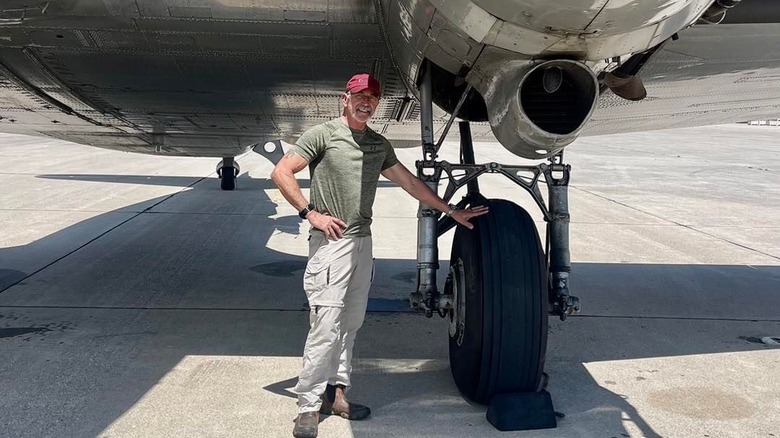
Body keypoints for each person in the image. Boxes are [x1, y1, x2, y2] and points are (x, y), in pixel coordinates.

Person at [270, 73, 488, 438]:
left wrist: (450, 211)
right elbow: (282, 171)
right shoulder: (322, 135)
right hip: (331, 244)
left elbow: (410, 183)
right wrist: (311, 213)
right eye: (359, 95)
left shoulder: (377, 144)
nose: (366, 102)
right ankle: (307, 406)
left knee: (351, 322)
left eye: (372, 97)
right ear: (345, 98)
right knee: (324, 325)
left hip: (362, 243)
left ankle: (337, 393)